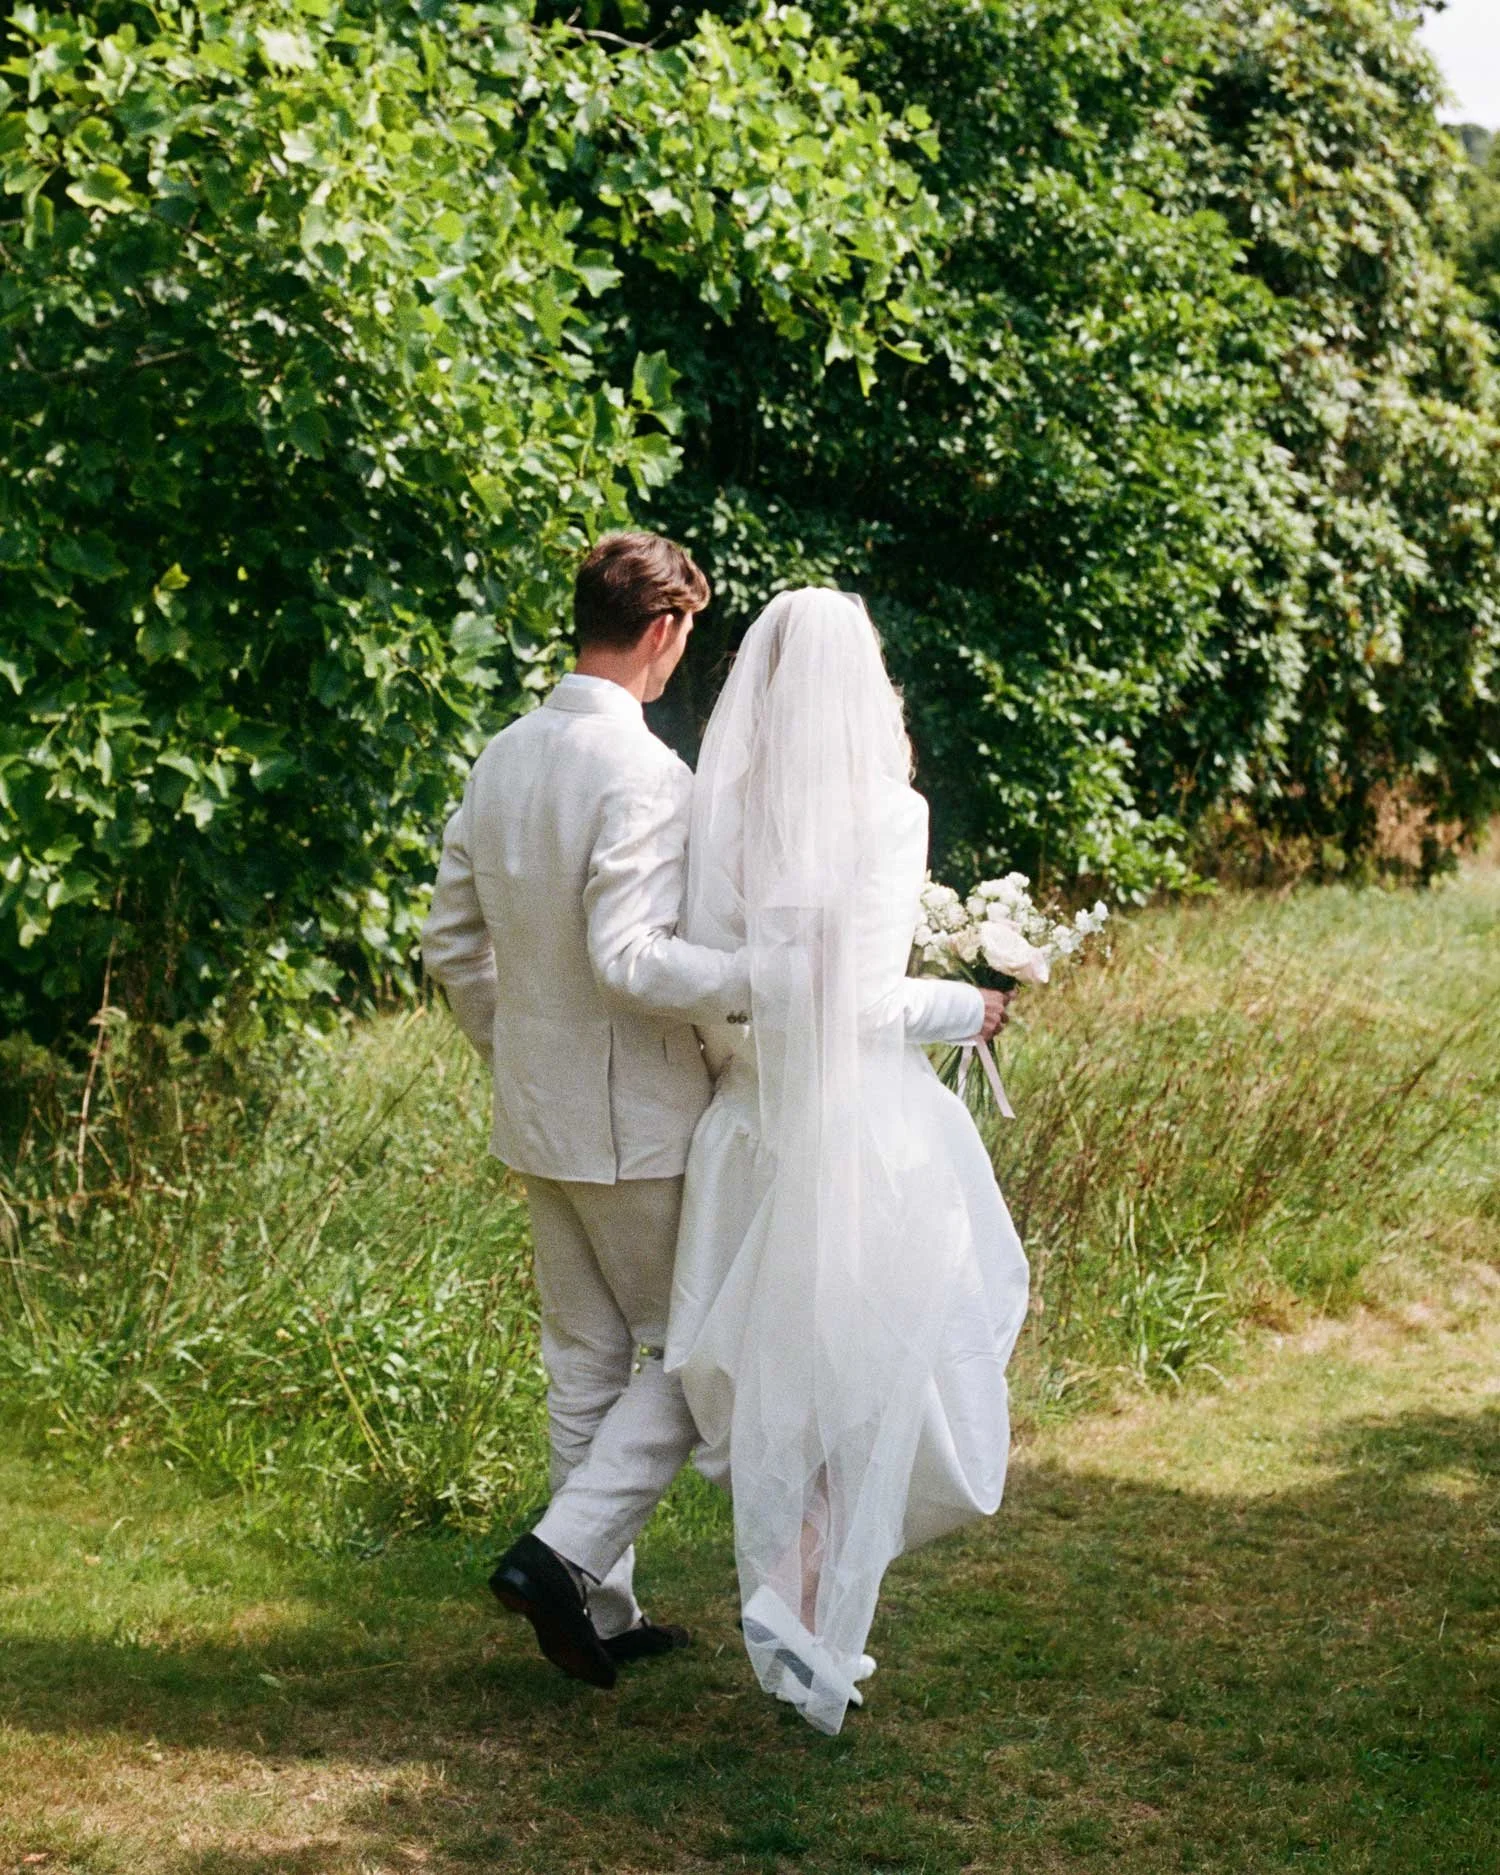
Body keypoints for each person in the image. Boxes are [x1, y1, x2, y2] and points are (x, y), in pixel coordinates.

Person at [665, 588, 1030, 1735]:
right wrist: (965, 1003)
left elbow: (733, 976)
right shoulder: (887, 809)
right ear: (866, 680)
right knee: (873, 1388)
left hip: (744, 1126)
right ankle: (801, 1610)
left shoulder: (717, 807)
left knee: (785, 1392)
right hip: (864, 1133)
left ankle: (803, 1612)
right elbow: (865, 1001)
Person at [422, 532, 751, 1690]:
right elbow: (633, 960)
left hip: (537, 1108)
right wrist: (766, 979)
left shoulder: (501, 756)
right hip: (635, 1120)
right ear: (663, 631)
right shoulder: (649, 775)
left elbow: (450, 942)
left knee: (585, 1360)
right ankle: (560, 1557)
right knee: (700, 1346)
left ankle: (599, 1613)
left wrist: (513, 1048)